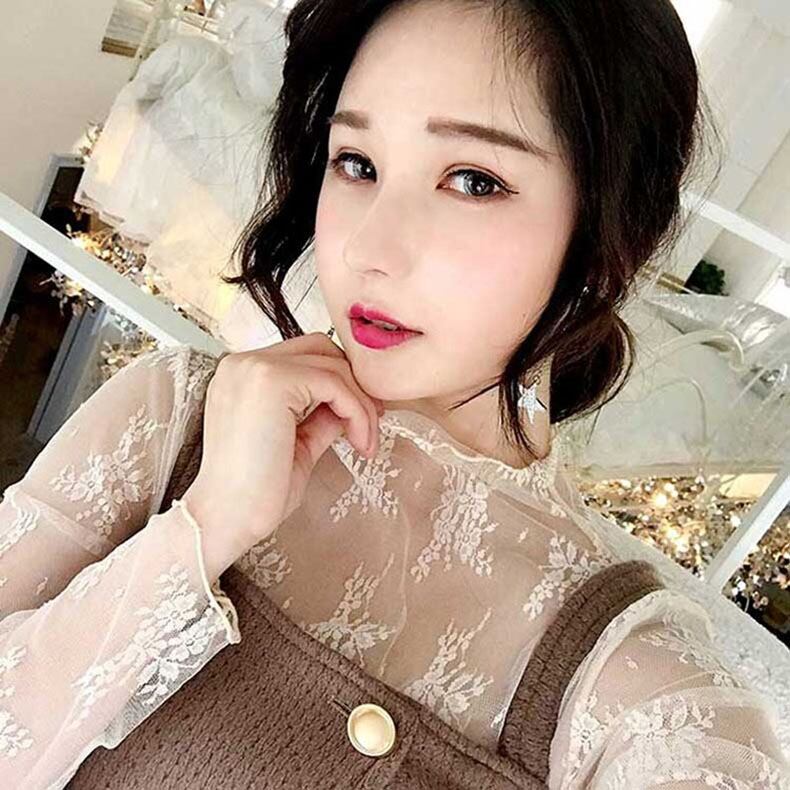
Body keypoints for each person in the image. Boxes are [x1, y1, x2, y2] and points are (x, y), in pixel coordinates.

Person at [1, 0, 789, 787]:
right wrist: (204, 527)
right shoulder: (170, 416)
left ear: (609, 233)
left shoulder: (645, 690)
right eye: (356, 163)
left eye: (473, 181)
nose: (369, 249)